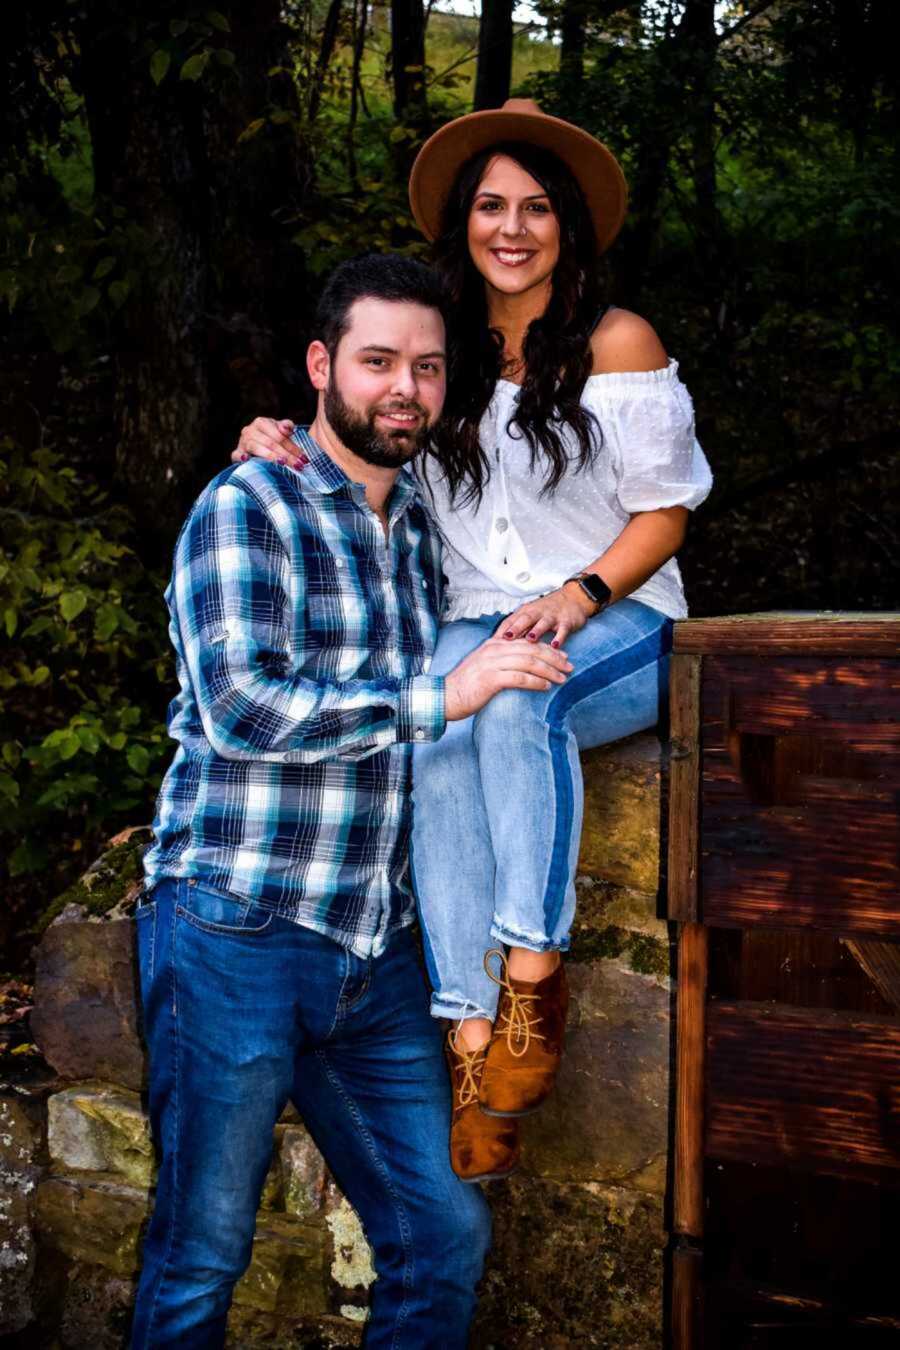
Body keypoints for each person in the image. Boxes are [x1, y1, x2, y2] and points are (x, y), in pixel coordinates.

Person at [235, 99, 713, 1186]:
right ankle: (466, 1035)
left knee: (509, 695)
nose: (513, 227)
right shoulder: (436, 348)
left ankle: (533, 982)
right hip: (472, 615)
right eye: (492, 205)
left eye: (537, 208)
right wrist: (273, 438)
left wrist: (580, 595)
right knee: (439, 725)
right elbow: (364, 433)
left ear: (568, 227)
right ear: (463, 222)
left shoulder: (616, 341)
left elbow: (666, 512)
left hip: (622, 617)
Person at [134, 252, 574, 1349]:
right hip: (237, 927)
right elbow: (242, 706)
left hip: (378, 953)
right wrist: (446, 694)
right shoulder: (249, 505)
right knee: (201, 1254)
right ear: (322, 366)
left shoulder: (428, 522)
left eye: (427, 368)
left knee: (442, 1234)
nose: (405, 390)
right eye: (378, 362)